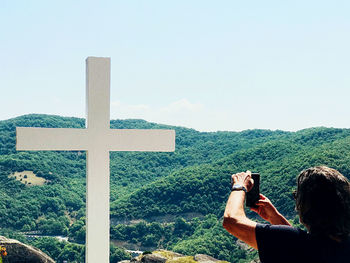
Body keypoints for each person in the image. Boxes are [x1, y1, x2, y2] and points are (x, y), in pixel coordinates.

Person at [223, 166, 350, 263]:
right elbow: (299, 247)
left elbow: (231, 221)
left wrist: (239, 186)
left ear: (305, 205)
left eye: (296, 196)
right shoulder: (342, 246)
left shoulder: (293, 242)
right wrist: (274, 217)